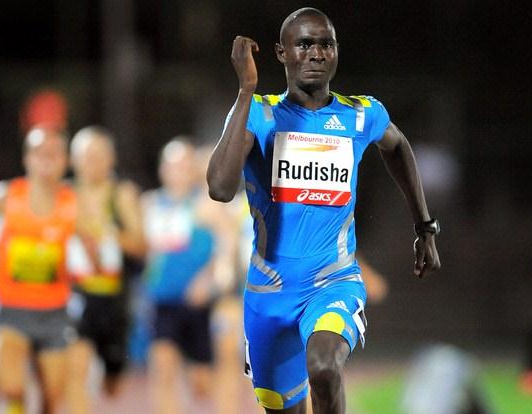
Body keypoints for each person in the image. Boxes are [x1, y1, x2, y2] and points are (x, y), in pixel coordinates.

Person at [206, 7, 441, 414]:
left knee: (324, 368)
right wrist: (245, 90)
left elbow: (398, 146)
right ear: (281, 53)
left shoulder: (360, 114)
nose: (316, 53)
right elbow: (219, 188)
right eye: (304, 44)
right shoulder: (259, 113)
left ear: (336, 51)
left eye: (325, 44)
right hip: (268, 295)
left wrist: (425, 226)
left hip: (333, 282)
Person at [0, 127, 92, 414]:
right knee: (12, 388)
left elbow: (93, 247)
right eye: (39, 153)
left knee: (53, 394)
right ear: (27, 159)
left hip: (55, 312)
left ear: (65, 161)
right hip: (11, 310)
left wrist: (92, 260)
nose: (46, 160)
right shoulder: (4, 197)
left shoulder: (73, 203)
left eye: (54, 154)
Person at [142, 138, 235, 414]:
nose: (178, 171)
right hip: (163, 301)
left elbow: (227, 247)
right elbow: (140, 247)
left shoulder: (207, 205)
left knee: (201, 384)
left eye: (184, 165)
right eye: (173, 165)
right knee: (163, 367)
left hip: (198, 304)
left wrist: (211, 280)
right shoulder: (149, 204)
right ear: (162, 169)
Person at [65, 126, 146, 413]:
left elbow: (141, 246)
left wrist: (107, 234)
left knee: (113, 386)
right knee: (75, 369)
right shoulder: (65, 196)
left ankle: (107, 372)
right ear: (73, 160)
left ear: (112, 159)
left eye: (99, 156)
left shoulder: (122, 195)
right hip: (76, 294)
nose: (93, 163)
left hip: (114, 299)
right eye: (87, 156)